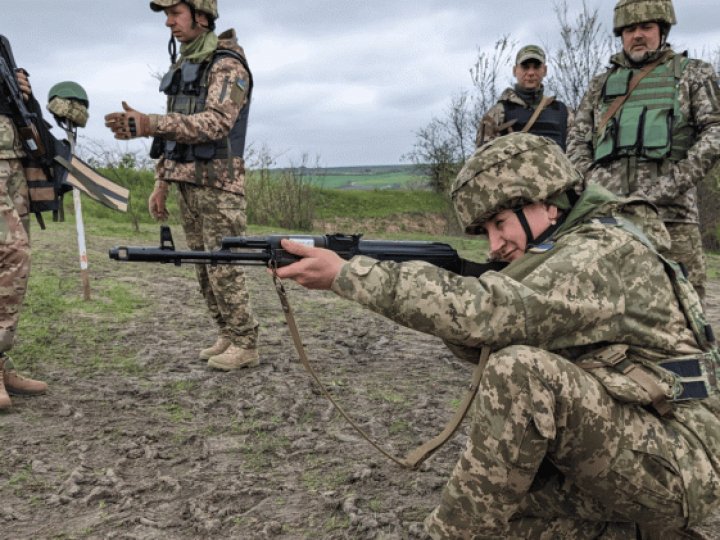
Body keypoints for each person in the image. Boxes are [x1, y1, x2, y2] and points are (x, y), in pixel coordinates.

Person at [274, 133, 720, 538]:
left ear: (547, 203)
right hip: (648, 443)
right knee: (503, 504)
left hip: (680, 462)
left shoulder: (599, 254)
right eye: (486, 231)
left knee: (522, 373)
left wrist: (348, 275)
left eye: (499, 223)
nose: (493, 246)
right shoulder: (576, 245)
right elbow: (488, 332)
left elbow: (486, 311)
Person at [105, 0, 260, 371]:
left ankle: (246, 342)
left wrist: (150, 123)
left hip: (220, 187)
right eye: (166, 16)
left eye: (175, 14)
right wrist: (162, 183)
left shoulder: (227, 64)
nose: (169, 23)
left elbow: (215, 124)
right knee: (203, 266)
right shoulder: (186, 65)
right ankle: (226, 332)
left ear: (201, 17)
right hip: (188, 184)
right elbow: (176, 135)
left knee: (225, 265)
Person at [567, 0, 720, 302]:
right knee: (606, 306)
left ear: (662, 30)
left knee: (686, 309)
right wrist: (592, 184)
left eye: (646, 27)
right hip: (608, 216)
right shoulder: (600, 86)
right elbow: (576, 139)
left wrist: (673, 182)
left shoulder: (693, 75)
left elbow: (715, 131)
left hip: (671, 217)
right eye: (629, 29)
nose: (637, 35)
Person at [0, 67, 50, 409]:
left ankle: (2, 364)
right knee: (13, 252)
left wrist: (18, 90)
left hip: (12, 158)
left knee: (15, 265)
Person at [477, 44, 571, 150]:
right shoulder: (497, 113)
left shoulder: (563, 112)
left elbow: (577, 155)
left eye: (536, 67)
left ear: (544, 70)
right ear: (514, 70)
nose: (531, 73)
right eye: (525, 67)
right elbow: (484, 159)